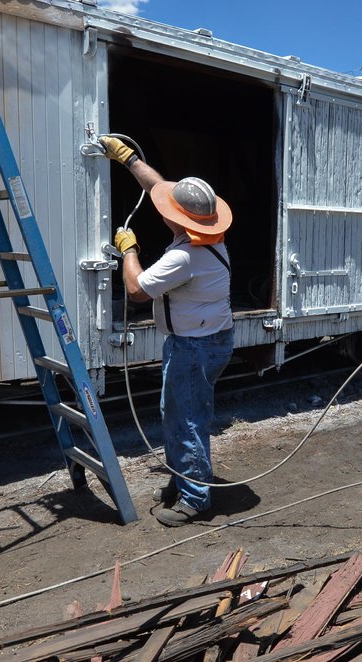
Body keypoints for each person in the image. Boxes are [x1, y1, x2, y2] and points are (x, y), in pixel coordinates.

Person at [100, 135, 234, 527]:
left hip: (195, 347)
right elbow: (158, 189)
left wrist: (129, 251)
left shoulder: (183, 257)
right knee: (177, 412)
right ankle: (184, 479)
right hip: (205, 341)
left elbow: (137, 290)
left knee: (186, 419)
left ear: (178, 219)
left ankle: (194, 498)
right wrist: (128, 160)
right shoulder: (211, 238)